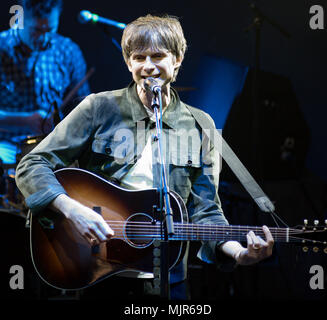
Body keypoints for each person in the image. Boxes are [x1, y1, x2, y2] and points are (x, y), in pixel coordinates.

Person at [15, 14, 274, 300]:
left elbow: (206, 211)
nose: (148, 66)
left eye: (158, 56)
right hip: (98, 271)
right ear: (128, 63)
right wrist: (71, 209)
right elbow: (31, 164)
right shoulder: (98, 108)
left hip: (168, 278)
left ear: (176, 60)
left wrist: (239, 253)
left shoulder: (201, 125)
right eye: (139, 58)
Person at [0, 0, 90, 196]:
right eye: (36, 30)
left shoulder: (68, 50)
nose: (44, 38)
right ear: (20, 19)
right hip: (4, 143)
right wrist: (25, 121)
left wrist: (67, 122)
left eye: (50, 29)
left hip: (53, 144)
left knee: (80, 192)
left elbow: (83, 107)